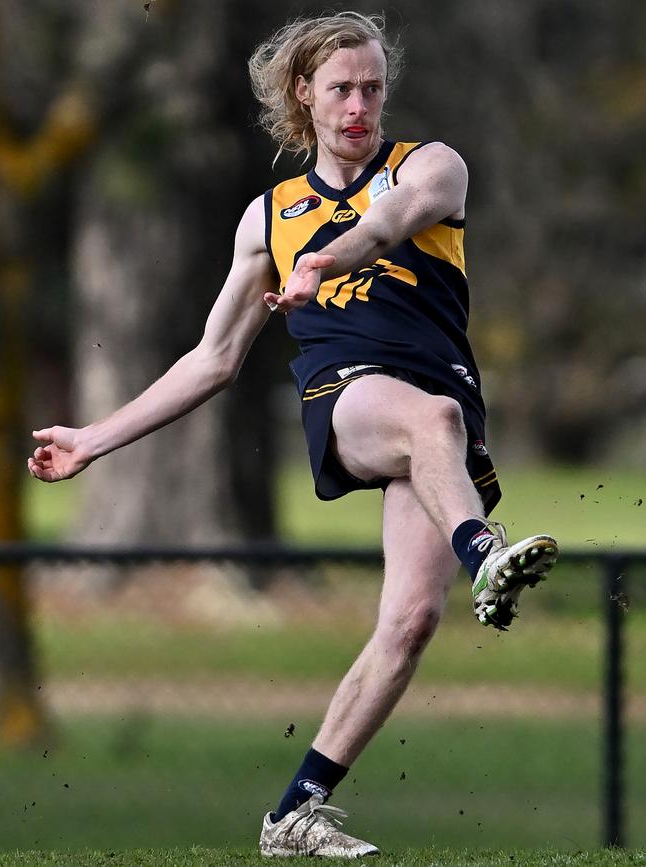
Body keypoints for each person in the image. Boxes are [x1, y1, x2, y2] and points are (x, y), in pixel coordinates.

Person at [28, 11, 558, 858]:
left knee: (412, 619)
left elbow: (386, 226)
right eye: (342, 88)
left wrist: (323, 261)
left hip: (439, 422)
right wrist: (94, 437)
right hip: (347, 399)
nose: (360, 105)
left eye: (373, 88)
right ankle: (481, 549)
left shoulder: (429, 167)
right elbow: (211, 359)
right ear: (303, 94)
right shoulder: (267, 216)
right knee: (433, 418)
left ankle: (293, 812)